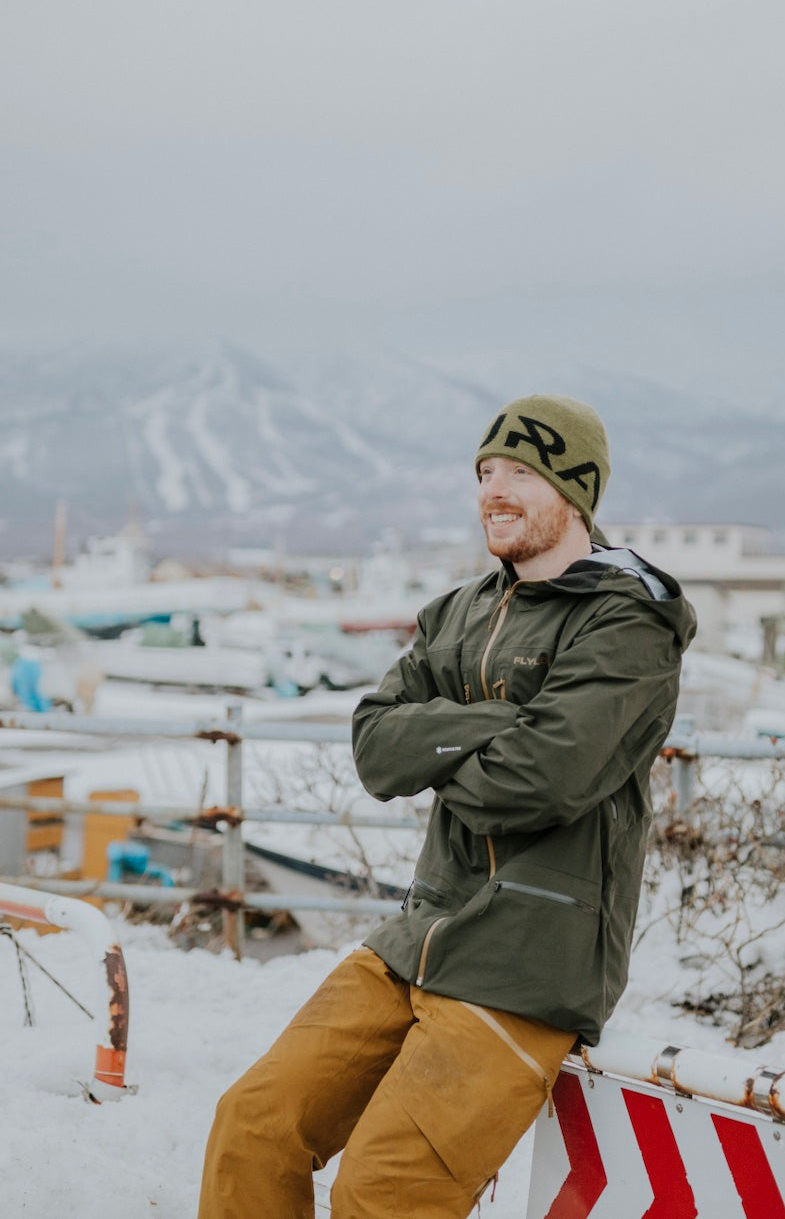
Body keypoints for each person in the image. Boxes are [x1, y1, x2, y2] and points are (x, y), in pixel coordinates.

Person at [198, 393, 696, 1219]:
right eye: (485, 472)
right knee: (251, 1126)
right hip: (419, 935)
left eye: (520, 472)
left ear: (575, 490)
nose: (494, 491)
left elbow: (541, 780)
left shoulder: (629, 618)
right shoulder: (459, 612)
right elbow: (374, 746)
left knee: (386, 1192)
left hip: (528, 962)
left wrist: (444, 744)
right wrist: (502, 722)